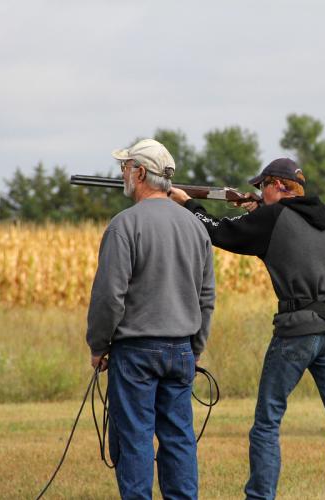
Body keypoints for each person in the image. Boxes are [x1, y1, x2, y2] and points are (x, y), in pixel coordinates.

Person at [169, 158, 325, 500]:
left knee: (267, 422)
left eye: (262, 186)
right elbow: (292, 224)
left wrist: (188, 203)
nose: (259, 191)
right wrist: (256, 207)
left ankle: (260, 496)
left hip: (296, 329)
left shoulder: (272, 217)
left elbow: (217, 231)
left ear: (276, 185)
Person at [86, 138, 215, 500]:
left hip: (135, 352)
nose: (122, 173)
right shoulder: (196, 227)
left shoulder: (123, 225)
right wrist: (197, 346)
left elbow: (110, 296)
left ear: (140, 173)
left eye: (126, 167)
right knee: (179, 439)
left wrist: (98, 344)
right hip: (182, 351)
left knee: (135, 438)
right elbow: (207, 297)